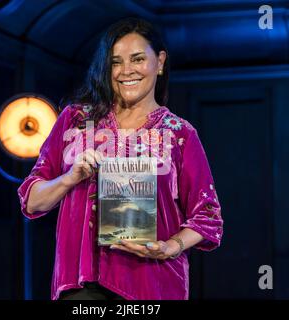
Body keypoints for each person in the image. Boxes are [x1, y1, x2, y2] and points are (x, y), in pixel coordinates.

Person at [17, 17, 223, 300]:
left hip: (153, 283)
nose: (127, 71)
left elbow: (208, 215)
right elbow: (31, 201)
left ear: (160, 62)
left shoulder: (180, 134)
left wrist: (171, 246)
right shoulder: (75, 121)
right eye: (116, 62)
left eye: (138, 59)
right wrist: (70, 178)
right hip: (81, 285)